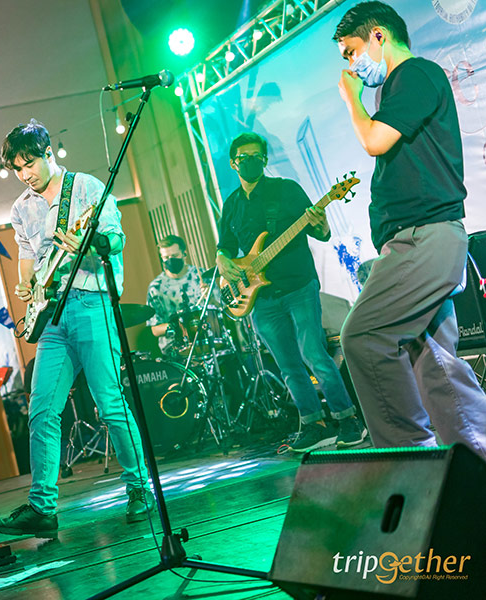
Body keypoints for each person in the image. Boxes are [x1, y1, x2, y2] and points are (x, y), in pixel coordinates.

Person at [0, 119, 151, 538]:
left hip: (91, 302)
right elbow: (27, 256)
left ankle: (139, 489)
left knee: (110, 403)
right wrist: (27, 286)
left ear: (48, 154)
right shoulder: (21, 208)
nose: (25, 174)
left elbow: (116, 238)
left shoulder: (86, 187)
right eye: (17, 168)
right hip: (51, 315)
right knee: (42, 409)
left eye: (29, 164)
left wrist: (90, 244)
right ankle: (42, 507)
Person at [333, 1, 486, 458]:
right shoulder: (401, 87)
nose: (351, 65)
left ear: (378, 36)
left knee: (363, 337)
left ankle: (409, 459)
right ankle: (474, 459)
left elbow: (374, 140)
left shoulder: (414, 74)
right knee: (436, 362)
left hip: (422, 237)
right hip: (427, 238)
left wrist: (351, 100)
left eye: (351, 51)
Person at [216, 132, 366, 452]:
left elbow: (320, 233)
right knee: (288, 366)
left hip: (298, 285)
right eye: (244, 158)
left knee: (314, 354)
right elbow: (225, 247)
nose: (251, 162)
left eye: (257, 157)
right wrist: (222, 261)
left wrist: (321, 222)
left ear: (265, 160)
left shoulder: (286, 189)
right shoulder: (231, 205)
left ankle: (348, 420)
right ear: (233, 164)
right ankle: (314, 425)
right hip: (262, 297)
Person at [146, 235, 206, 356]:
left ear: (184, 254)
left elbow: (220, 310)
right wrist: (179, 325)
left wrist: (209, 297)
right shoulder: (156, 287)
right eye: (166, 257)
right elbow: (155, 329)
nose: (170, 260)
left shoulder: (201, 276)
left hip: (205, 340)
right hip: (175, 351)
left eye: (174, 256)